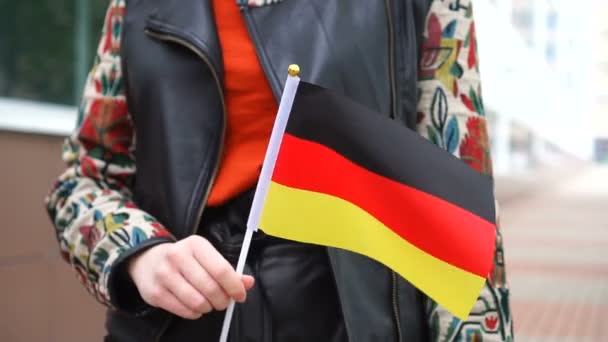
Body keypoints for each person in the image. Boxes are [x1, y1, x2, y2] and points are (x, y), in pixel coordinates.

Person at [45, 0, 514, 341]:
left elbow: (459, 208)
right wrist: (138, 253)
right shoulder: (131, 6)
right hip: (175, 322)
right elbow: (83, 179)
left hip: (353, 321)